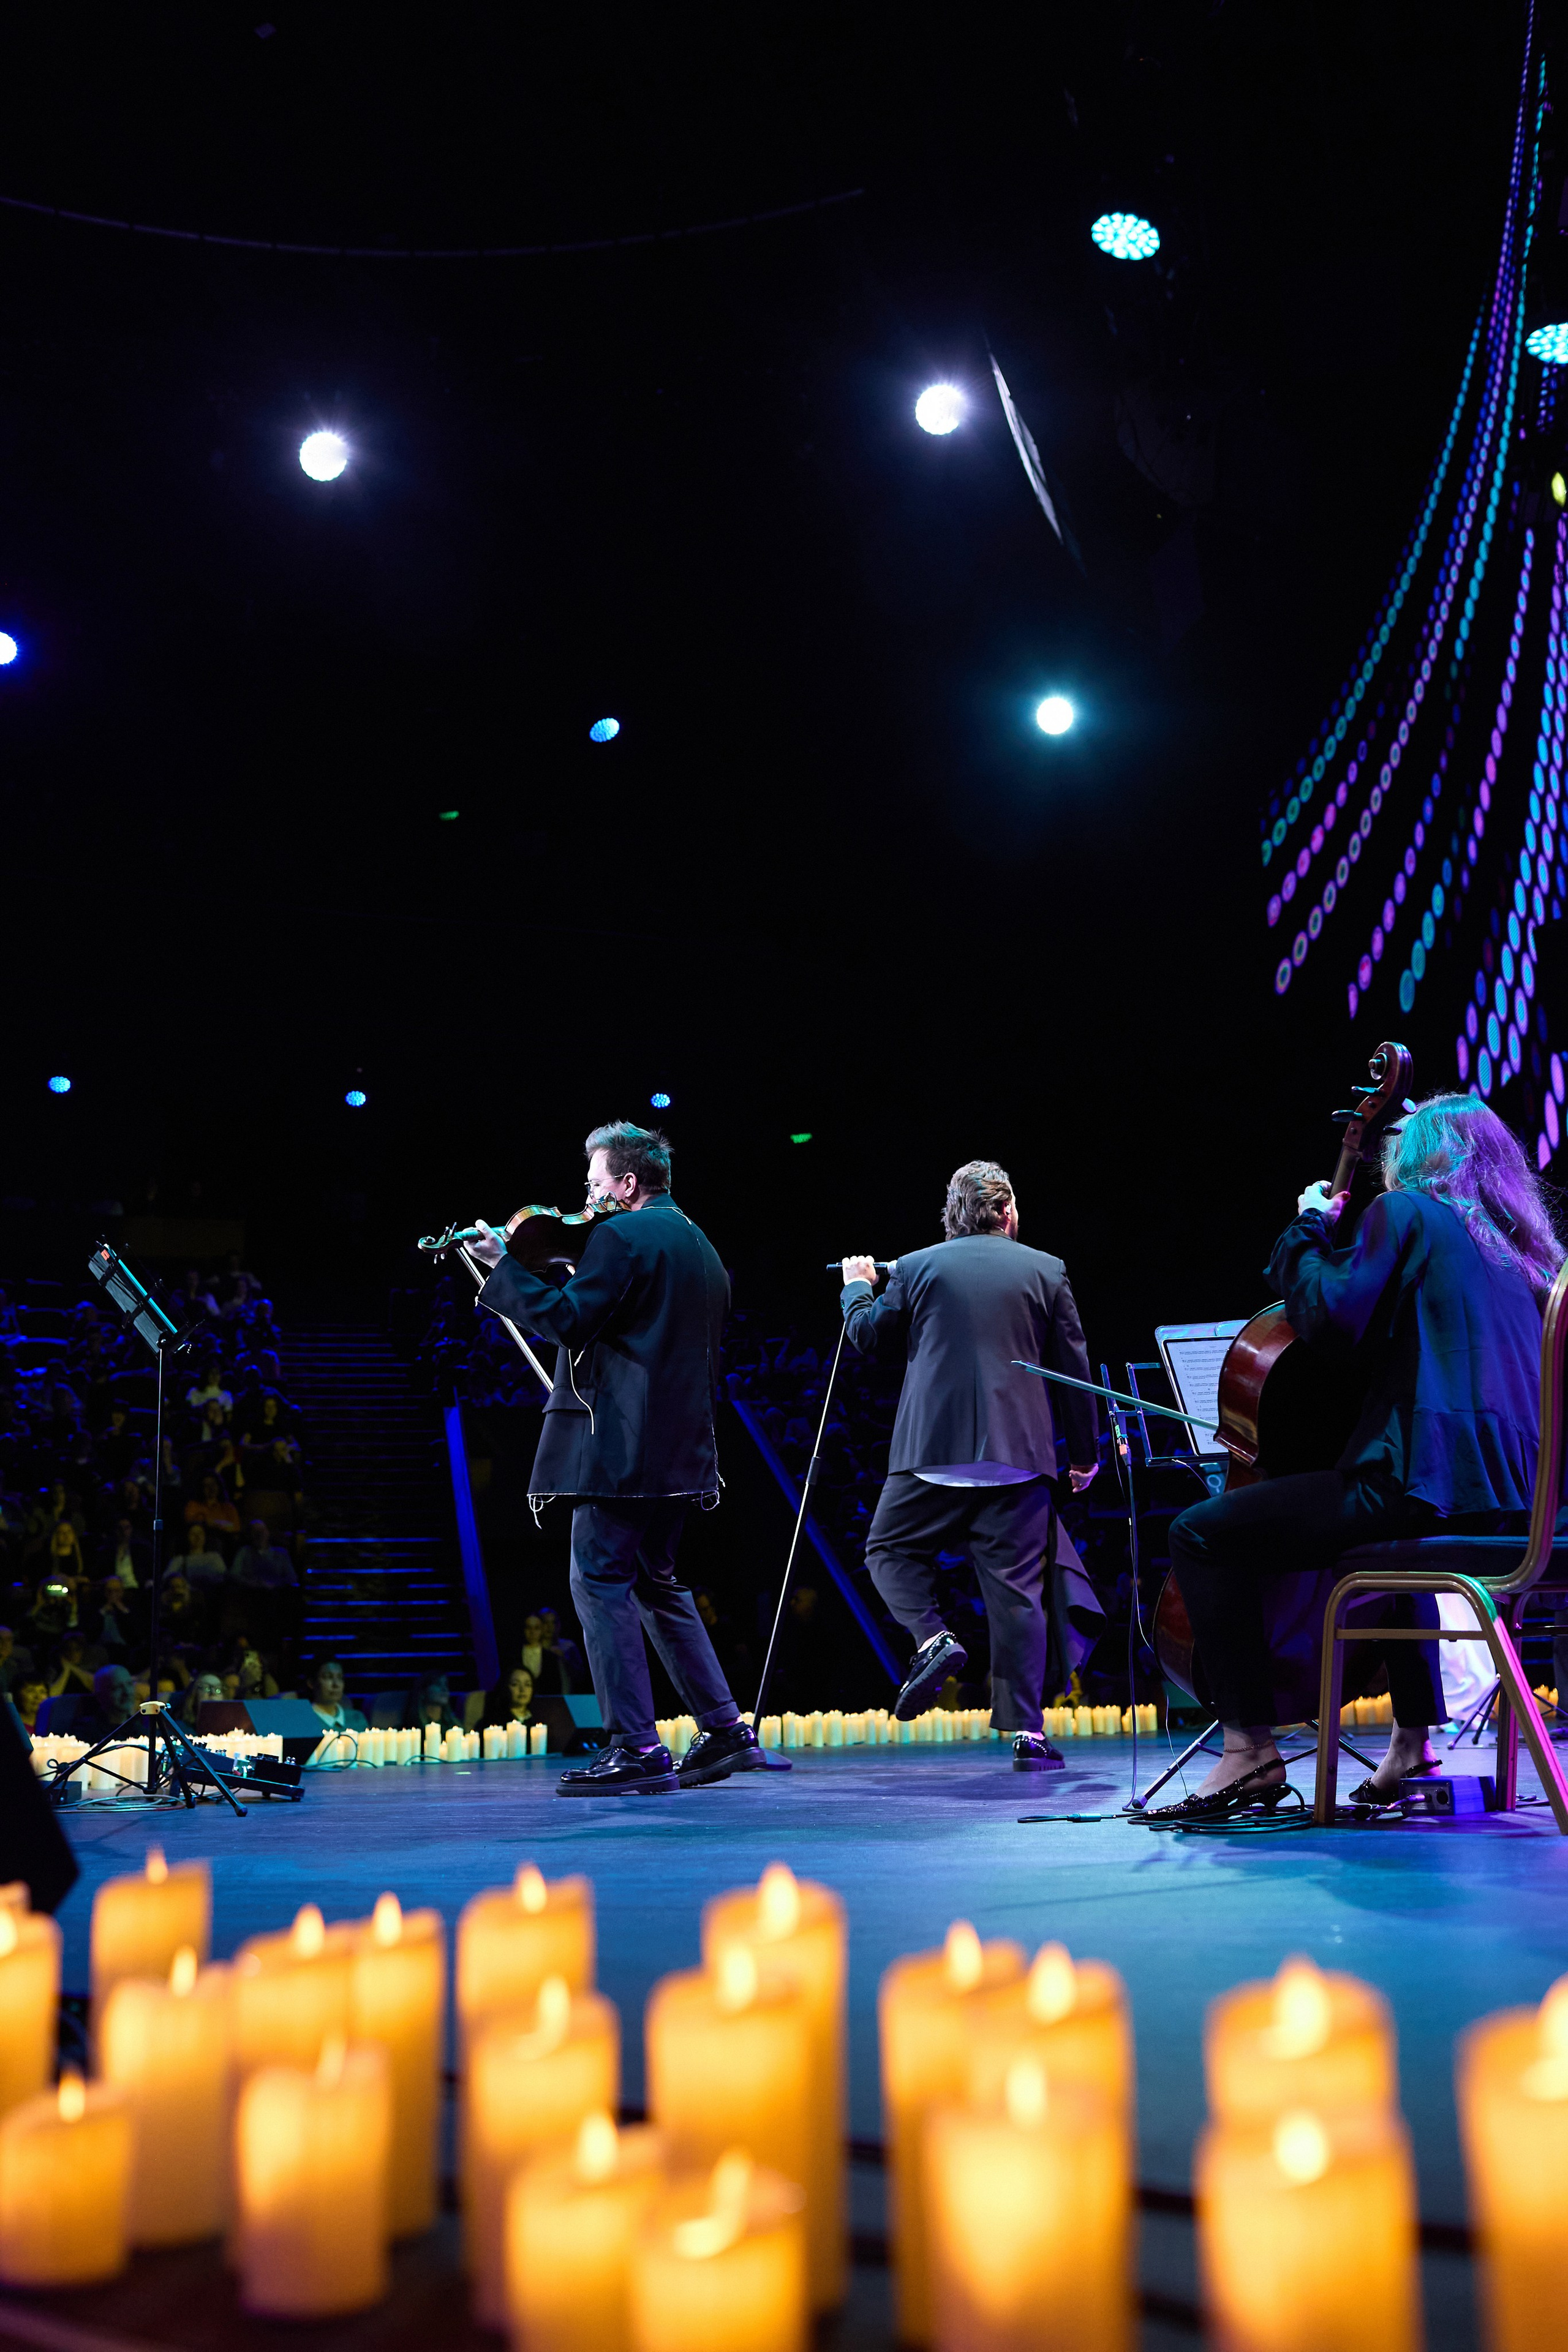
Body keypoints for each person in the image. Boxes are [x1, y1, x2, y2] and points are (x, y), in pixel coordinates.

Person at [1163, 1095, 1557, 1819]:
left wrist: (1309, 1225)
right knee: (1394, 1542)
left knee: (1199, 1533)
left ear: (1420, 1158)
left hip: (1427, 1486)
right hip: (1519, 1509)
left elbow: (1331, 1317)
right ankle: (1413, 1742)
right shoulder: (1523, 1254)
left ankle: (1248, 1750)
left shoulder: (1405, 1213)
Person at [469, 1120, 757, 1795]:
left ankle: (636, 1745)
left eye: (595, 1182)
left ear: (627, 1183)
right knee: (656, 1583)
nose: (586, 1195)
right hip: (683, 1448)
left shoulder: (620, 1235)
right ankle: (722, 1729)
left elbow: (571, 1321)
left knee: (597, 1581)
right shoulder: (700, 1243)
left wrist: (500, 1267)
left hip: (622, 1443)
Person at [840, 1158, 1099, 1772]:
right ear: (1008, 1212)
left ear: (950, 1219)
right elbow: (1074, 1371)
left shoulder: (916, 1265)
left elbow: (867, 1338)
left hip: (931, 1453)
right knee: (1017, 1596)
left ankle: (933, 1638)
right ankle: (1027, 1736)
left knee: (887, 1551)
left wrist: (856, 1287)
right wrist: (1084, 1455)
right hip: (1018, 1456)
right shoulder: (1046, 1269)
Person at [305, 1655, 365, 1731]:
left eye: (340, 1678)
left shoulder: (357, 1718)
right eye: (329, 1677)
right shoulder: (305, 1721)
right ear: (311, 1683)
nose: (336, 1684)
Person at [479, 1665, 537, 1732]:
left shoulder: (536, 1721)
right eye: (515, 1684)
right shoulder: (494, 1722)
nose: (522, 1690)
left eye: (528, 1685)